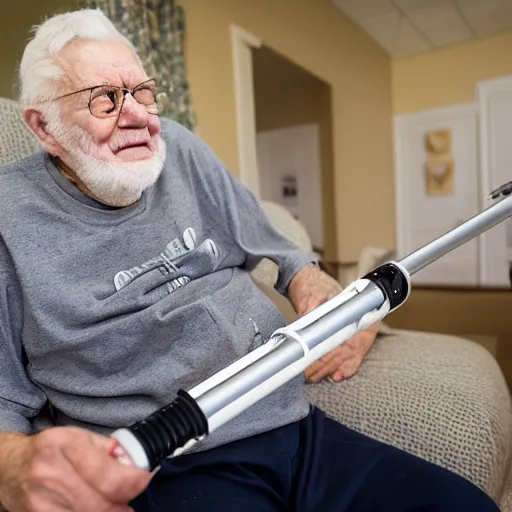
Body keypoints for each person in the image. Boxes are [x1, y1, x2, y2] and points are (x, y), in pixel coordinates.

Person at [0, 9, 498, 512]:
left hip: (292, 423)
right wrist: (12, 465)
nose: (138, 116)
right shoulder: (8, 218)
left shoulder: (178, 147)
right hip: (173, 464)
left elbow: (278, 248)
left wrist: (321, 290)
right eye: (105, 99)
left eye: (143, 91)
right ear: (45, 128)